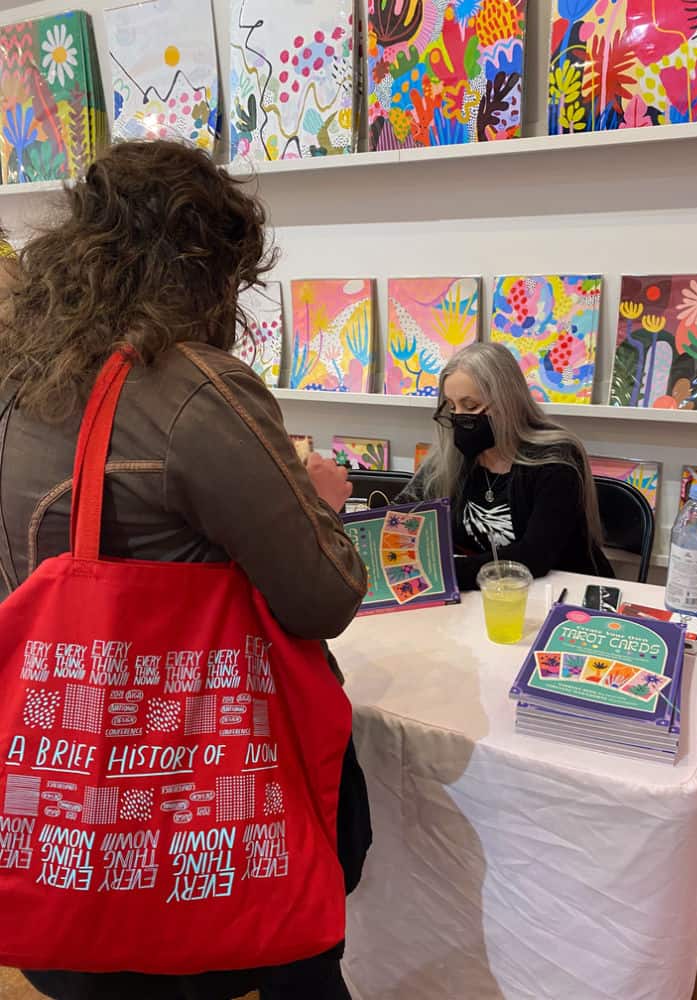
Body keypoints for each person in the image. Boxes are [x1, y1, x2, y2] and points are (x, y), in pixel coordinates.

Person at [0, 140, 370, 1000]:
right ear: (205, 265)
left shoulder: (22, 381)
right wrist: (314, 499)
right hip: (203, 807)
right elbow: (324, 595)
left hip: (73, 809)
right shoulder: (192, 386)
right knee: (300, 967)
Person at [396, 342, 613, 588]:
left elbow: (533, 557)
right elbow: (403, 512)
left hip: (563, 594)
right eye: (451, 406)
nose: (458, 417)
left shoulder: (556, 460)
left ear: (507, 402)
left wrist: (441, 573)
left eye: (470, 406)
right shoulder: (452, 458)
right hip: (490, 595)